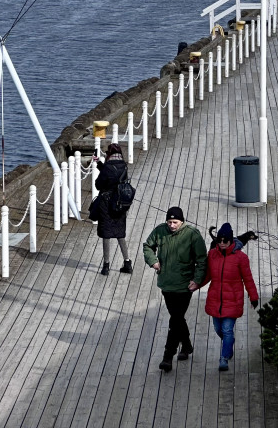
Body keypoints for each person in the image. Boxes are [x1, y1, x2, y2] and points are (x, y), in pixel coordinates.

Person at [143, 206, 208, 372]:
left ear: (182, 221)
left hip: (185, 285)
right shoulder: (160, 231)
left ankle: (167, 357)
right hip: (166, 284)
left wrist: (197, 280)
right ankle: (186, 346)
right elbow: (148, 246)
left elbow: (202, 260)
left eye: (175, 222)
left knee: (175, 320)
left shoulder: (192, 235)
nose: (171, 225)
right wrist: (153, 261)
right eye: (169, 222)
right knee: (177, 318)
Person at [197, 223, 259, 372]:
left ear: (231, 240)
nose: (222, 243)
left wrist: (253, 297)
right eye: (220, 240)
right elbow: (208, 275)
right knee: (219, 329)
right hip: (215, 299)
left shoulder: (241, 258)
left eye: (225, 240)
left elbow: (248, 279)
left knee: (227, 330)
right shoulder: (212, 254)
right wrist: (194, 285)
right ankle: (229, 344)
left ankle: (224, 358)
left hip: (233, 300)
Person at [89, 143, 132, 276]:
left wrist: (102, 167)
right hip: (120, 203)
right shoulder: (124, 166)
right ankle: (127, 262)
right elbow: (114, 176)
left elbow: (98, 184)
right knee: (120, 233)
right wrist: (100, 164)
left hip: (106, 204)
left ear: (109, 154)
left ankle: (106, 266)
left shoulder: (108, 167)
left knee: (106, 233)